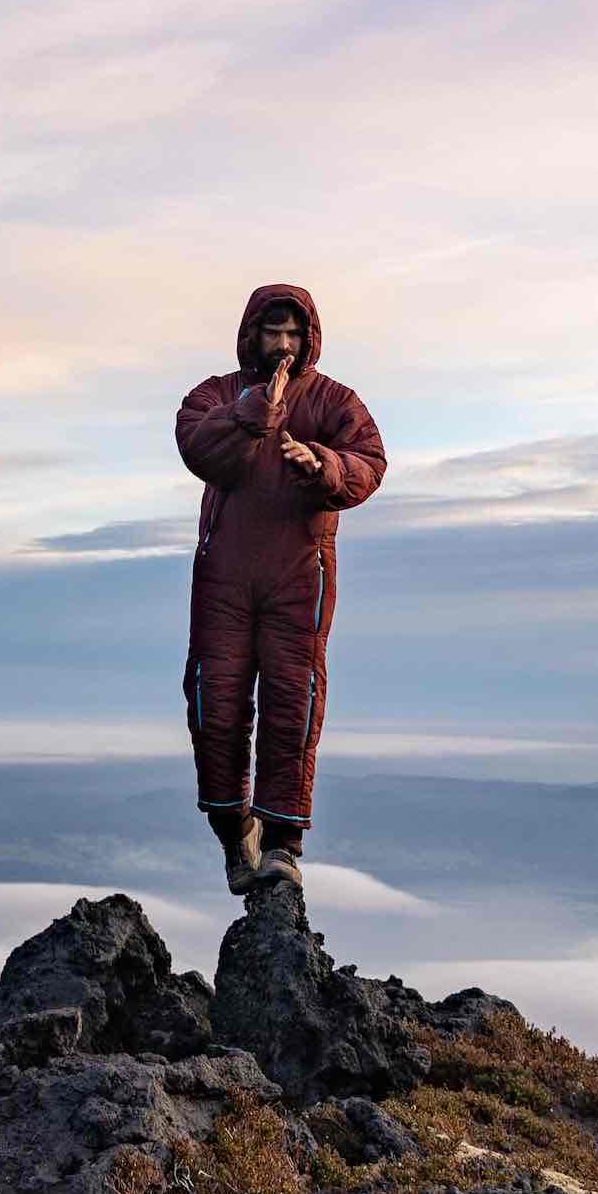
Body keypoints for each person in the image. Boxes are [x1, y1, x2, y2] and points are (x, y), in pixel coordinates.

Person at [174, 283, 387, 895]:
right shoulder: (213, 395)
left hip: (300, 575)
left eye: (295, 334)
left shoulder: (335, 402)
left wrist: (322, 463)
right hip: (225, 578)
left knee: (294, 704)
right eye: (274, 333)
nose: (285, 345)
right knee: (214, 704)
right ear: (253, 334)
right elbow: (200, 450)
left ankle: (282, 846)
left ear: (310, 337)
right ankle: (231, 830)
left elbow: (369, 464)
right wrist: (254, 414)